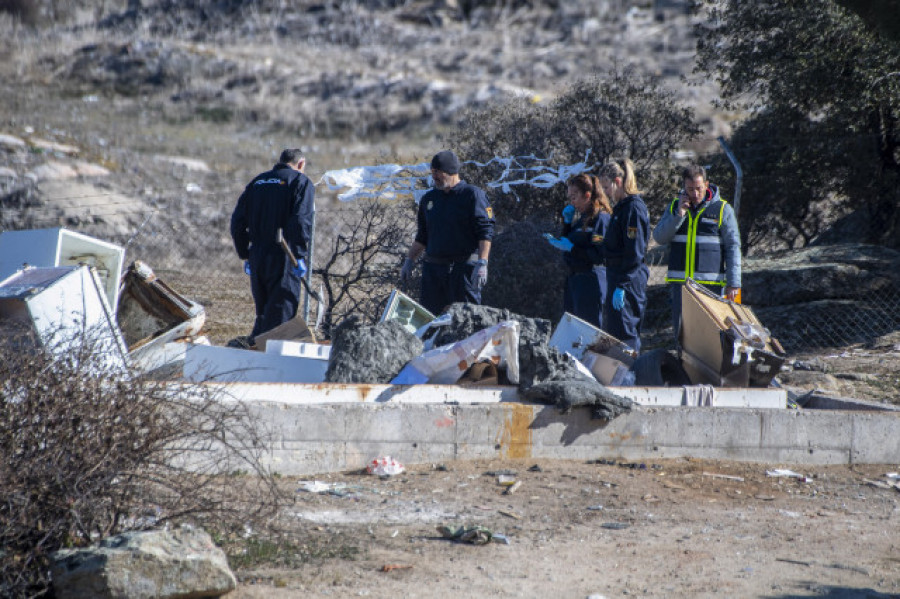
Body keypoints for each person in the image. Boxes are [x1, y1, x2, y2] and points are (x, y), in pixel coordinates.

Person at [230, 148, 314, 342]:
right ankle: (265, 360)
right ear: (300, 164)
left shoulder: (257, 182)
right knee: (280, 321)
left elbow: (237, 222)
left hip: (258, 256)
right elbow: (301, 221)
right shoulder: (300, 182)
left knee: (264, 312)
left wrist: (245, 253)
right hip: (285, 255)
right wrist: (299, 254)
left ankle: (253, 349)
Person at [399, 150, 494, 316]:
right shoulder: (429, 199)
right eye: (432, 172)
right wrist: (410, 260)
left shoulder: (473, 195)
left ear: (451, 172)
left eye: (438, 172)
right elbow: (423, 236)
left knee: (467, 318)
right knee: (429, 318)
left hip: (463, 270)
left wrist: (482, 263)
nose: (434, 177)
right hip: (434, 270)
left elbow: (485, 231)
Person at [652, 163, 741, 338]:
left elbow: (733, 247)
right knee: (682, 334)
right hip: (681, 286)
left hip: (710, 287)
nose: (695, 194)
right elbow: (660, 237)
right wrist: (679, 215)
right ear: (683, 188)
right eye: (690, 189)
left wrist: (734, 282)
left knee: (710, 334)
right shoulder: (674, 207)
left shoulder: (723, 209)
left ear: (706, 185)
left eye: (699, 188)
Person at [545, 173, 612, 328]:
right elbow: (571, 240)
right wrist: (567, 224)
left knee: (589, 329)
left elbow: (597, 255)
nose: (572, 202)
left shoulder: (600, 219)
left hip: (590, 281)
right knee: (574, 329)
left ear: (587, 195)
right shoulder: (582, 218)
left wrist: (572, 248)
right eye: (570, 197)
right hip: (575, 280)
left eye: (574, 197)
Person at [597, 157, 650, 353]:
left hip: (627, 279)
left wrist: (623, 285)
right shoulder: (621, 208)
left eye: (606, 187)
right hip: (616, 275)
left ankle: (629, 378)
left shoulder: (633, 209)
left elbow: (634, 252)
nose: (606, 193)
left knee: (626, 333)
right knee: (615, 332)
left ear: (617, 182)